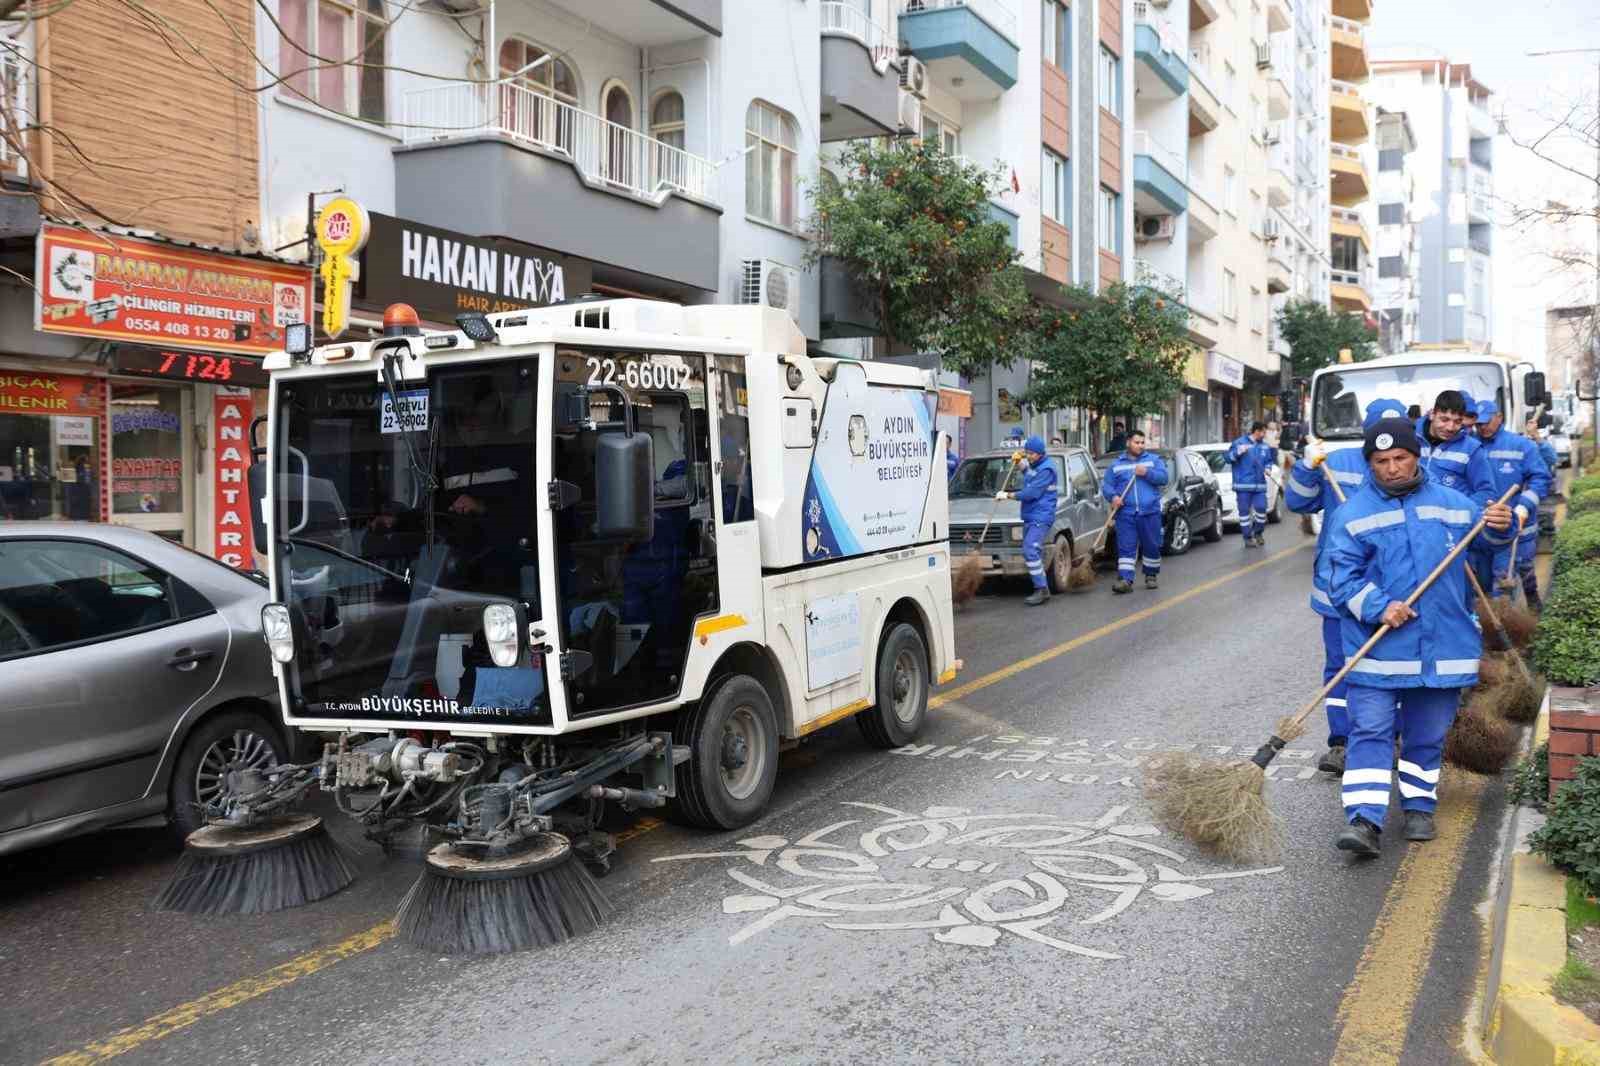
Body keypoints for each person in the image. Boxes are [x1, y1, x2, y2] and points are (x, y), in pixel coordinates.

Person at [1325, 417, 1514, 856]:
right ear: (1369, 464)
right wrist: (1379, 605)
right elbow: (1338, 578)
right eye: (1381, 461)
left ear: (1417, 456)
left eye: (1400, 458)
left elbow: (1486, 543)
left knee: (1427, 735)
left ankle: (1418, 808)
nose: (1391, 468)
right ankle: (1364, 820)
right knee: (1369, 731)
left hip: (1442, 650)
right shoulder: (1352, 515)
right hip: (1378, 653)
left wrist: (1500, 526)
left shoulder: (1454, 504)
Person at [1284, 396, 1409, 775]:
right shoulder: (1335, 464)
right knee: (1340, 668)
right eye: (1378, 434)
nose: (1387, 445)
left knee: (1396, 666)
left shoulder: (1411, 469)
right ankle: (1341, 742)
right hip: (1338, 593)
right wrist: (1307, 469)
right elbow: (1298, 503)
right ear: (1366, 432)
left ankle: (1393, 737)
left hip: (1393, 593)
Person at [1477, 399, 1551, 609]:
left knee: (1521, 567)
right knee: (1495, 578)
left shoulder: (1522, 446)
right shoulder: (1472, 447)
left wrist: (1522, 507)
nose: (1482, 427)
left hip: (1519, 523)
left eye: (1487, 421)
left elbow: (1541, 479)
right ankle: (1500, 618)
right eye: (1478, 423)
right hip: (1484, 527)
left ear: (1499, 417)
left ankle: (1530, 600)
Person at [1100, 429, 1169, 593]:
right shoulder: (1116, 465)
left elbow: (1164, 478)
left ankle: (1151, 575)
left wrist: (1146, 473)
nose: (1140, 445)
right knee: (1125, 547)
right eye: (1137, 442)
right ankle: (1125, 579)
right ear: (1128, 443)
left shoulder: (1153, 461)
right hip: (1126, 513)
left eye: (1142, 443)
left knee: (1151, 545)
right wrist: (1114, 497)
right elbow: (1107, 486)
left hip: (1149, 511)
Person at [995, 435, 1058, 606]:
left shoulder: (1047, 470)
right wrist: (1020, 464)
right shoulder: (1036, 466)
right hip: (1031, 515)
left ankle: (1041, 589)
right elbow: (1030, 475)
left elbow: (1031, 493)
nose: (1028, 456)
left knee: (1030, 549)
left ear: (1040, 453)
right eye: (1026, 453)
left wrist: (1007, 495)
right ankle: (1041, 587)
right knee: (1031, 551)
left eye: (1031, 454)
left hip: (1041, 515)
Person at [1415, 390, 1495, 505]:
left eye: (1457, 422)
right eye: (1444, 419)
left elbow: (1487, 493)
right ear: (1432, 414)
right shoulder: (1410, 439)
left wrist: (1459, 514)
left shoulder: (1471, 449)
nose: (1450, 427)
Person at [1227, 421, 1276, 548]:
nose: (1265, 435)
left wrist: (1268, 468)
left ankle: (1258, 532)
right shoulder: (1239, 442)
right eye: (1264, 432)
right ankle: (1247, 538)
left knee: (1261, 509)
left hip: (1259, 485)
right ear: (1257, 431)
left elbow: (1269, 461)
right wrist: (1238, 452)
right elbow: (1227, 458)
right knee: (1244, 513)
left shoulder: (1264, 446)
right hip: (1243, 485)